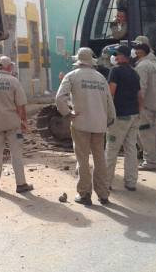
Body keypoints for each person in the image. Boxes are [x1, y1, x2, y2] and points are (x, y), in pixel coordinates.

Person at [56, 47, 116, 206]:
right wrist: (109, 119)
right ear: (91, 61)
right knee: (100, 159)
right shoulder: (101, 78)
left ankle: (85, 195)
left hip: (81, 124)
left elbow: (59, 98)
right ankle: (103, 195)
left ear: (78, 60)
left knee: (82, 160)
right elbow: (109, 101)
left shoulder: (72, 76)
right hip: (99, 124)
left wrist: (67, 114)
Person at [0, 56, 33, 193]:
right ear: (8, 67)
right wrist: (24, 122)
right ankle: (21, 184)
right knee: (16, 154)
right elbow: (21, 106)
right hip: (12, 125)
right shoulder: (14, 81)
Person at [105, 45, 142, 191]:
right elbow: (140, 95)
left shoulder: (115, 71)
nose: (115, 57)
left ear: (124, 56)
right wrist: (139, 112)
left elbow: (110, 93)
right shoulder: (134, 73)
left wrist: (107, 113)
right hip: (133, 115)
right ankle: (131, 182)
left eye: (117, 55)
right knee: (131, 149)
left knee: (111, 150)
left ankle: (106, 183)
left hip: (120, 116)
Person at [134, 35, 156, 156]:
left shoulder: (148, 60)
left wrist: (139, 103)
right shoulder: (148, 59)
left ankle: (153, 151)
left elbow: (143, 85)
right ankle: (155, 150)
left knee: (148, 128)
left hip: (147, 99)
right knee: (154, 125)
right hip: (152, 97)